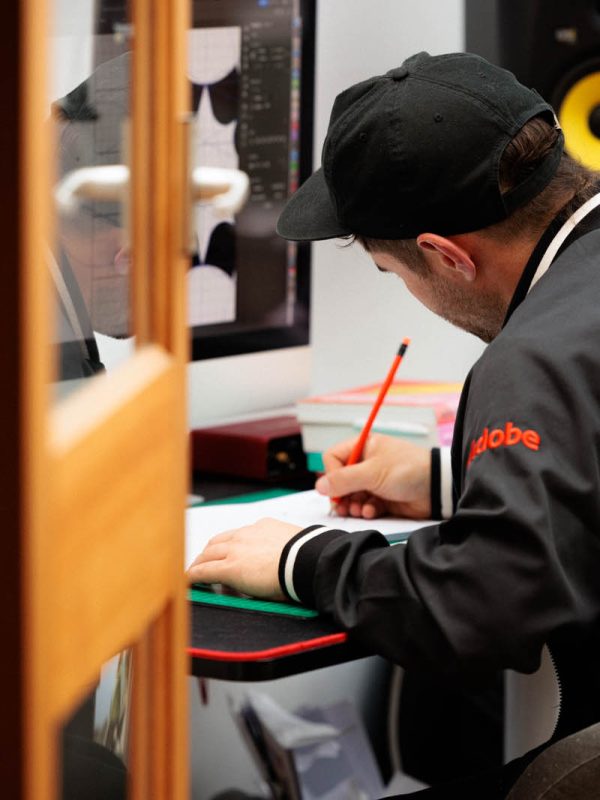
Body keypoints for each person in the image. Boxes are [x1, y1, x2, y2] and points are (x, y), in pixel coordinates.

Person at [188, 50, 600, 798]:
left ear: (446, 255)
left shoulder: (533, 357)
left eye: (395, 273)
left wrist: (304, 561)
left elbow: (489, 606)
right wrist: (451, 482)